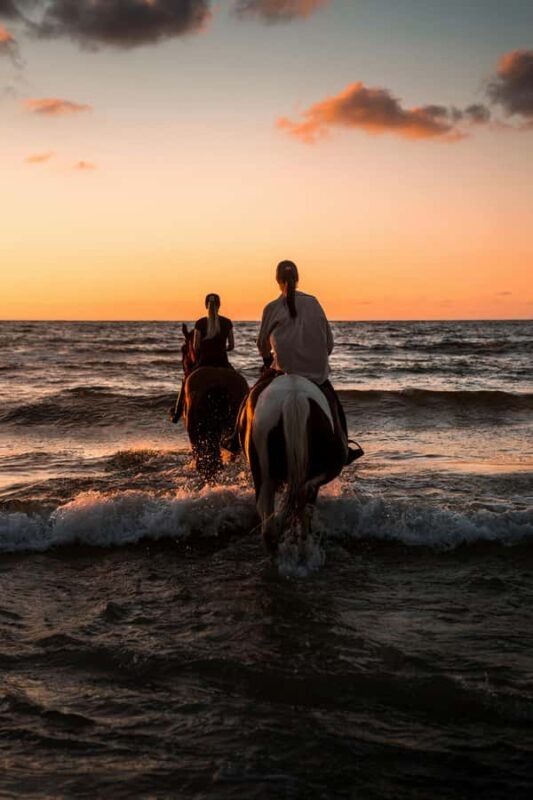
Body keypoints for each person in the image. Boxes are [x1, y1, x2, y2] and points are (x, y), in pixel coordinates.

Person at [223, 261, 363, 465]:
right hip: (316, 375)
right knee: (334, 404)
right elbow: (329, 344)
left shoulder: (272, 307)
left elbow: (262, 342)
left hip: (283, 372)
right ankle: (344, 447)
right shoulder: (314, 302)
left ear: (277, 280)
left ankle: (235, 438)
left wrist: (267, 360)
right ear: (298, 279)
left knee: (250, 396)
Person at [170, 293, 234, 423]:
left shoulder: (200, 323)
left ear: (206, 305)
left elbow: (196, 346)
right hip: (223, 362)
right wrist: (222, 349)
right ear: (219, 305)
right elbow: (232, 346)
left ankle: (176, 413)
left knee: (186, 381)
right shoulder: (227, 322)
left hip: (204, 362)